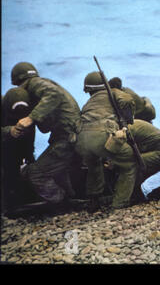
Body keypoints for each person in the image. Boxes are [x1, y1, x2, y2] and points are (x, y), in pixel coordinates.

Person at [11, 62, 81, 205]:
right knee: (57, 170)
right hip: (67, 136)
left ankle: (60, 201)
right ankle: (70, 197)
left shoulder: (35, 83)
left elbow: (53, 94)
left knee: (36, 173)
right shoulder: (41, 84)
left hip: (66, 137)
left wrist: (31, 118)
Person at [75, 71, 137, 211]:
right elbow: (127, 100)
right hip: (102, 137)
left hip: (81, 140)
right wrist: (127, 120)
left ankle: (93, 201)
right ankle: (120, 203)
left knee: (94, 166)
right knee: (129, 161)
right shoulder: (113, 92)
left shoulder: (88, 103)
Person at [105, 119, 160, 203]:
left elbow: (126, 158)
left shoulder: (125, 132)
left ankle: (127, 199)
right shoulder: (128, 125)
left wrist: (113, 163)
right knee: (135, 169)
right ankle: (137, 196)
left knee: (131, 166)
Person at [1, 87, 38, 212]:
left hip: (15, 149)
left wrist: (29, 155)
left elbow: (30, 134)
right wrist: (8, 131)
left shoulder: (30, 113)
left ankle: (13, 204)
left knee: (14, 175)